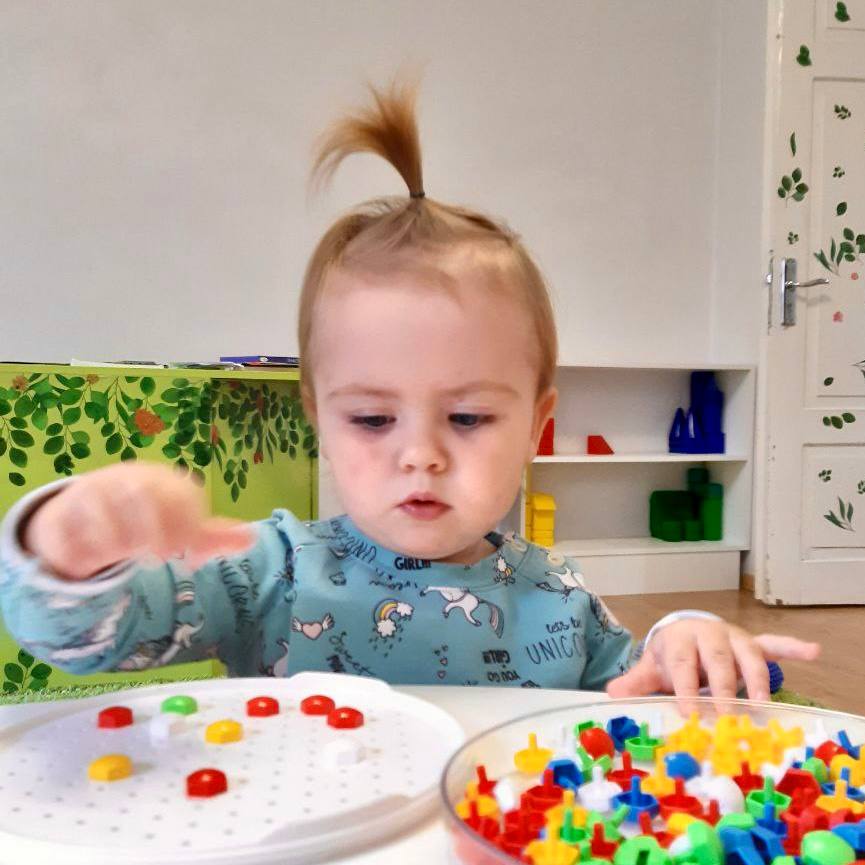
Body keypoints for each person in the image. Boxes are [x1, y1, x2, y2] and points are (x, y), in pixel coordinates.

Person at [0, 78, 819, 698]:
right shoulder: (265, 571)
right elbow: (80, 640)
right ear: (317, 417)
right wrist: (65, 546)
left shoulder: (557, 596)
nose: (420, 454)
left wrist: (690, 640)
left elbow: (649, 703)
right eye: (371, 417)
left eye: (467, 415)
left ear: (536, 424)